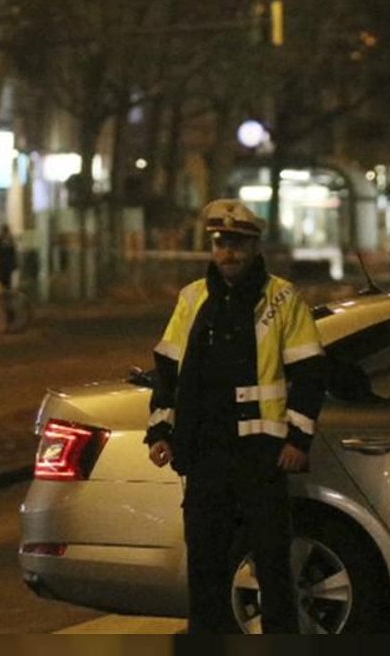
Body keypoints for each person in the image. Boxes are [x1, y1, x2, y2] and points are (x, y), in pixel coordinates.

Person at [143, 199, 328, 634]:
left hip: (261, 459)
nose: (229, 252)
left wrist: (297, 441)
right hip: (205, 455)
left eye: (238, 244)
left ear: (254, 246)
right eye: (221, 243)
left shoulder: (282, 298)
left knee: (272, 568)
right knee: (204, 567)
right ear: (213, 246)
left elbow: (310, 374)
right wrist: (161, 432)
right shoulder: (193, 299)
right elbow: (168, 372)